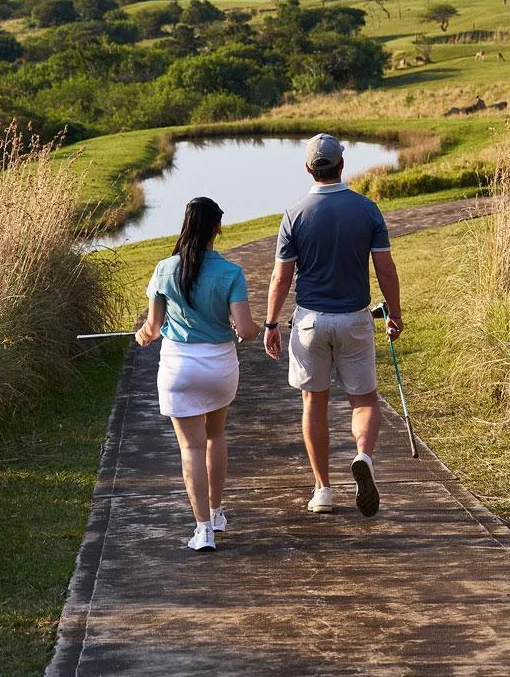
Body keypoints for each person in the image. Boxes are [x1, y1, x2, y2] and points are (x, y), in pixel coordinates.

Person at [263, 133, 402, 517]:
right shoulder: (366, 209)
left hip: (310, 321)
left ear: (308, 168)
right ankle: (363, 456)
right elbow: (385, 268)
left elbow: (280, 277)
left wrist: (271, 323)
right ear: (341, 164)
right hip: (354, 318)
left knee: (314, 403)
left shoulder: (294, 214)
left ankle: (322, 490)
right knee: (364, 400)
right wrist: (394, 312)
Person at [135, 196, 259, 552]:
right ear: (217, 227)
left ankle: (203, 529)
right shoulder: (231, 273)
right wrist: (253, 329)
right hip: (219, 365)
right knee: (215, 436)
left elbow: (153, 327)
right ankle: (217, 513)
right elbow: (246, 329)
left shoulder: (164, 269)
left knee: (190, 446)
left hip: (178, 367)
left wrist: (143, 335)